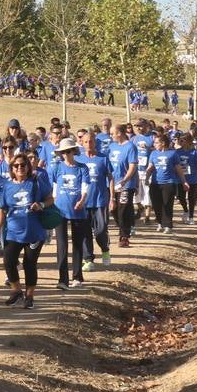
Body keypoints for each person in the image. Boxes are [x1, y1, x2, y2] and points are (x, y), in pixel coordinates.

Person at [0, 154, 53, 309]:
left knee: (29, 264)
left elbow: (50, 198)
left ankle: (29, 296)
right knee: (8, 261)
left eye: (23, 165)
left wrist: (41, 204)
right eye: (16, 166)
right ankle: (16, 291)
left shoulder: (36, 182)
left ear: (28, 167)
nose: (19, 168)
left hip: (35, 232)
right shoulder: (7, 186)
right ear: (12, 168)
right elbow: (2, 209)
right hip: (13, 231)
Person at [50, 138, 90, 289]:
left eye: (68, 151)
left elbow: (85, 187)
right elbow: (53, 188)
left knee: (77, 244)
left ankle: (77, 276)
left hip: (78, 210)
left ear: (73, 151)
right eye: (63, 152)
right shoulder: (57, 168)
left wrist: (82, 200)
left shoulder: (82, 168)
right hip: (60, 210)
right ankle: (62, 279)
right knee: (61, 245)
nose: (65, 154)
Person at [77, 129, 113, 268]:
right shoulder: (79, 159)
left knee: (100, 230)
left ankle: (105, 249)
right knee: (85, 231)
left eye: (91, 141)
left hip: (100, 200)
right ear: (82, 143)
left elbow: (110, 178)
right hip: (84, 202)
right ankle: (88, 259)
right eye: (86, 141)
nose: (89, 144)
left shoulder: (103, 158)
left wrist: (112, 198)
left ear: (95, 142)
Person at [148, 133, 187, 232]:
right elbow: (150, 167)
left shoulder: (172, 154)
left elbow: (178, 169)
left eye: (156, 143)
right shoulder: (153, 154)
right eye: (154, 142)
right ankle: (160, 223)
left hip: (169, 183)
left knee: (167, 204)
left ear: (163, 143)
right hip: (155, 183)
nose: (155, 144)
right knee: (156, 205)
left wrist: (184, 182)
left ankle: (168, 225)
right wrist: (146, 177)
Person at [107, 124, 139, 248]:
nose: (111, 136)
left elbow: (132, 166)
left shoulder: (130, 147)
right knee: (114, 210)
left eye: (112, 133)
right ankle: (127, 225)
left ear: (119, 133)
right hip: (111, 183)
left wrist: (125, 180)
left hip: (126, 184)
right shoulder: (112, 146)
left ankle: (124, 236)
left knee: (123, 209)